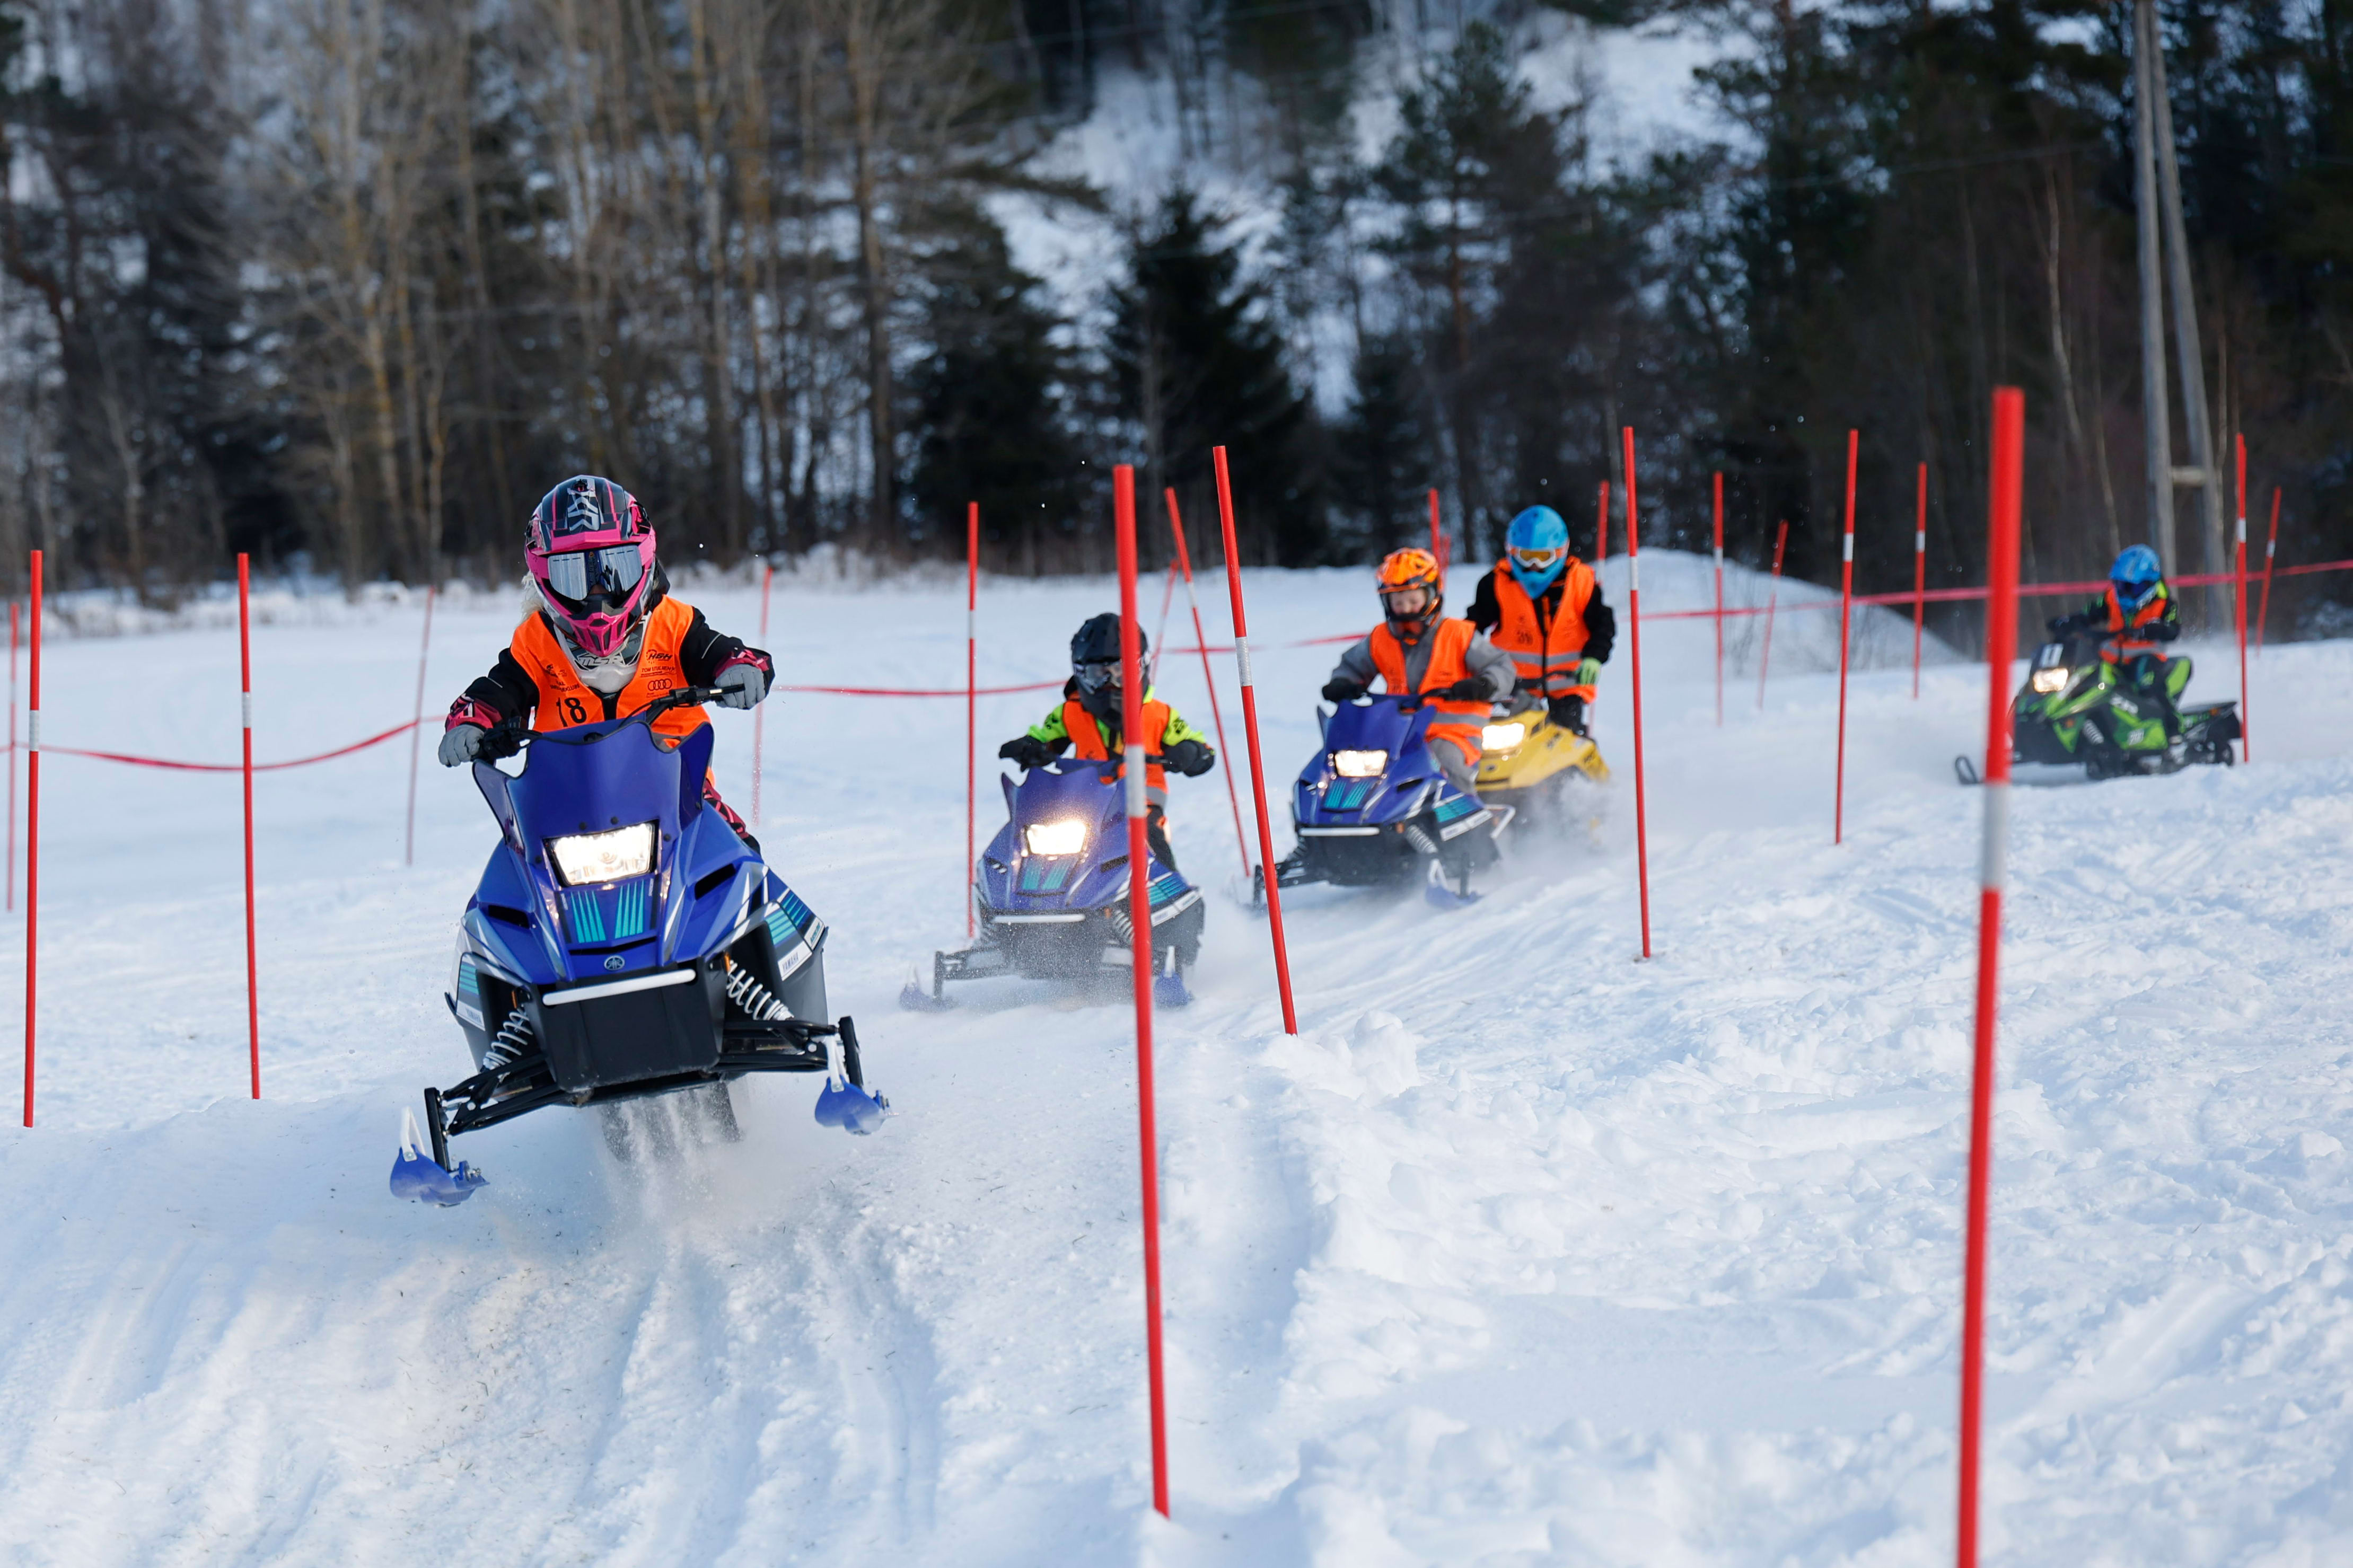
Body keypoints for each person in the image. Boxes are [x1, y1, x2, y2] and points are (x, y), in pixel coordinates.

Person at [436, 474, 774, 840]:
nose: (597, 595)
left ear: (644, 562)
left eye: (615, 571)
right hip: (569, 804)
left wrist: (741, 667)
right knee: (514, 880)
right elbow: (498, 690)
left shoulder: (675, 625)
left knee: (736, 853)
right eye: (573, 577)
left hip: (679, 793)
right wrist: (471, 721)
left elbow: (722, 653)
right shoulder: (536, 643)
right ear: (543, 578)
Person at [997, 613, 1215, 869]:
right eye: (1099, 674)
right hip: (1082, 806)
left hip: (1138, 807)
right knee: (1037, 838)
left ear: (1141, 667)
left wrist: (1189, 752)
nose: (1111, 683)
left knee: (1146, 834)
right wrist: (1029, 748)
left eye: (1121, 672)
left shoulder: (1160, 715)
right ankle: (1034, 895)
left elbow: (1203, 751)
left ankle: (1167, 891)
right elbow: (1044, 737)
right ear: (1081, 673)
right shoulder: (1070, 713)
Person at [1320, 548, 1516, 799]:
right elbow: (1353, 665)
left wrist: (1485, 685)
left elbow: (1501, 666)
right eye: (1398, 602)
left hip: (1453, 733)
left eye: (1413, 600)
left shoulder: (1459, 634)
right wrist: (1342, 683)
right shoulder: (1381, 638)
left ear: (1432, 595)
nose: (1406, 608)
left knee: (1443, 759)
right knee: (1355, 764)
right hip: (1396, 732)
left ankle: (1470, 826)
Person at [1467, 505, 1615, 736]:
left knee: (1564, 741)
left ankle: (1578, 768)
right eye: (1527, 557)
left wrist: (1594, 658)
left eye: (1543, 557)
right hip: (1515, 686)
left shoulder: (1582, 583)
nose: (1535, 565)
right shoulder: (1495, 584)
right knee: (1510, 741)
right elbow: (1472, 627)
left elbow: (1603, 624)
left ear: (1560, 552)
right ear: (1513, 552)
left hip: (1568, 685)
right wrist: (1466, 656)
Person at [2050, 543, 2187, 742]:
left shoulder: (2165, 605)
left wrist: (2156, 629)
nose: (2124, 592)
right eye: (2121, 586)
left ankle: (2173, 729)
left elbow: (2173, 629)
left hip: (2145, 658)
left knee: (2150, 684)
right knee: (2078, 680)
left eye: (2131, 587)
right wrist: (2070, 623)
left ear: (2148, 584)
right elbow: (2091, 614)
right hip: (2110, 658)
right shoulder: (2111, 598)